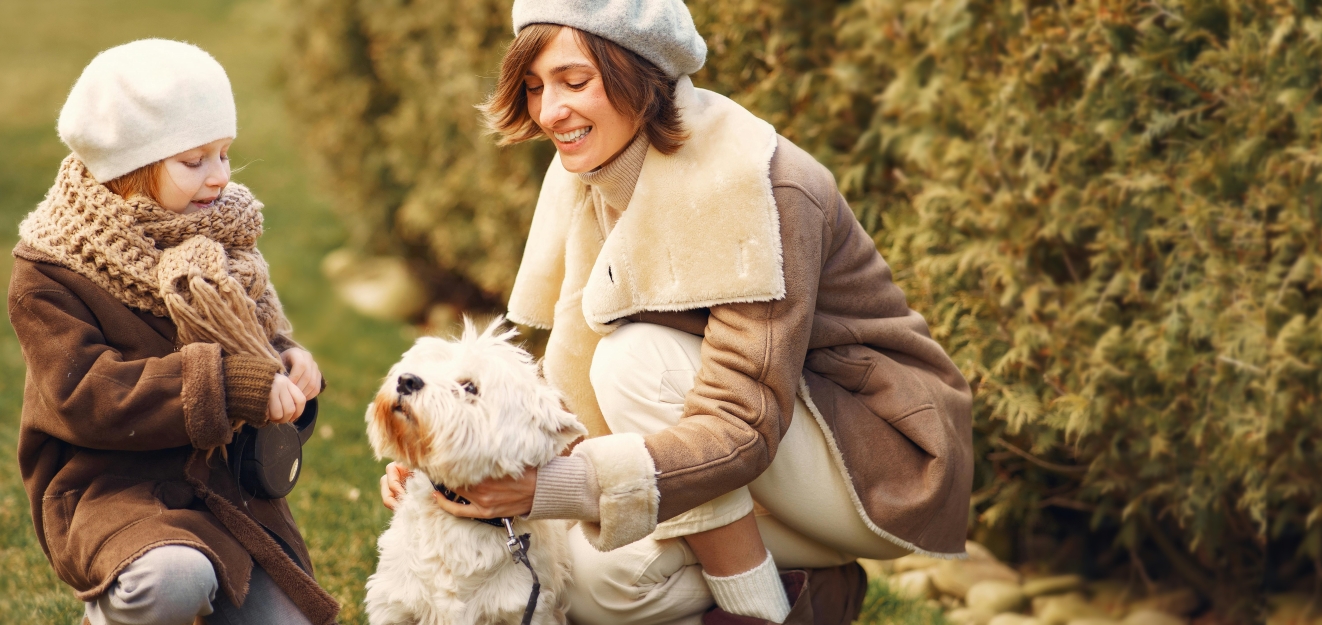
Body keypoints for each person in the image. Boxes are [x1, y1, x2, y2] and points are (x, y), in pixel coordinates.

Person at [380, 1, 974, 623]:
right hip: (757, 464)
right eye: (534, 88)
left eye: (574, 82)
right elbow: (565, 384)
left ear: (641, 72)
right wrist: (443, 454)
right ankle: (815, 589)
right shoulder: (595, 175)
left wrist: (550, 487)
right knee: (594, 585)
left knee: (634, 360)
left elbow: (742, 421)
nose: (549, 111)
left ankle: (762, 613)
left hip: (876, 463)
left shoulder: (756, 184)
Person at [10, 39, 337, 625]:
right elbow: (87, 394)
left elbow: (255, 335)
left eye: (224, 154)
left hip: (226, 489)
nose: (218, 178)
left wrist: (287, 363)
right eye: (194, 161)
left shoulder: (220, 235)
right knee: (174, 581)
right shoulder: (49, 270)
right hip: (114, 489)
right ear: (127, 170)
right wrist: (229, 385)